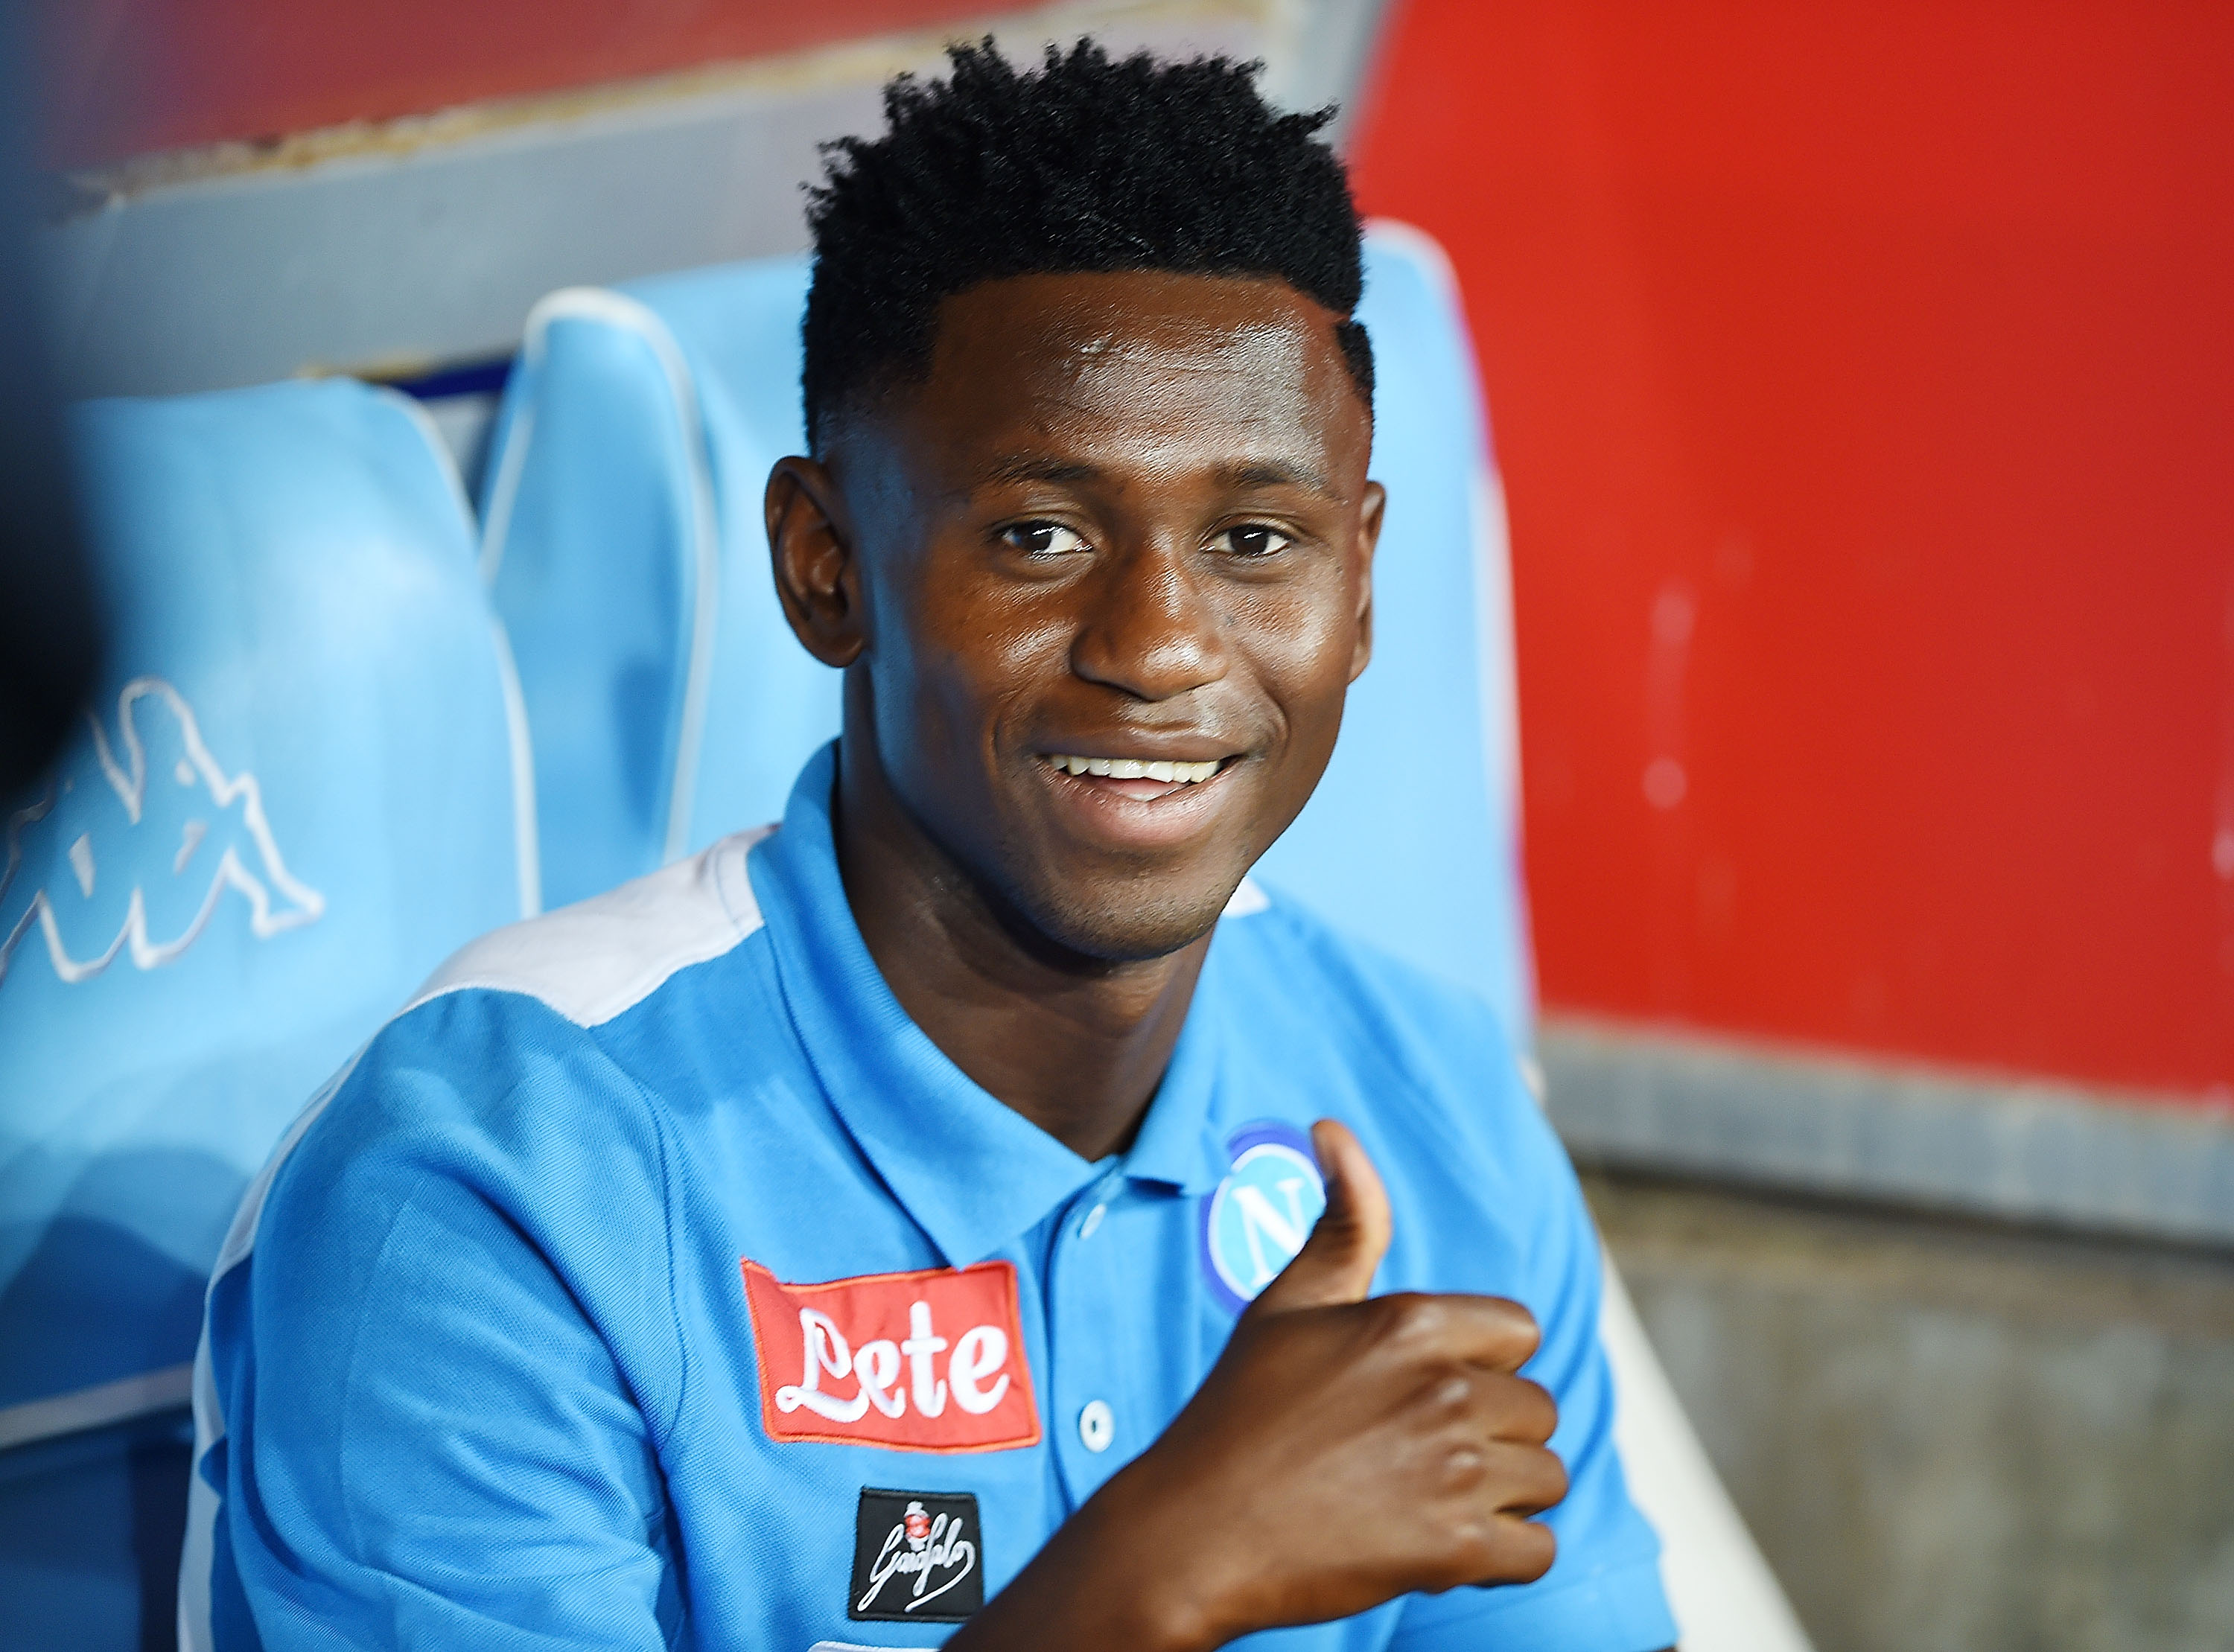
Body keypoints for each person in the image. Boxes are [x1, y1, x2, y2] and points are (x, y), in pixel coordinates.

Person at [183, 41, 1676, 1652]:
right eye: (1040, 536)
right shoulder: (498, 1180)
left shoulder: (1429, 1106)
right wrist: (1161, 1574)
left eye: (1256, 541)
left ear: (1361, 583)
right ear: (826, 568)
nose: (1164, 644)